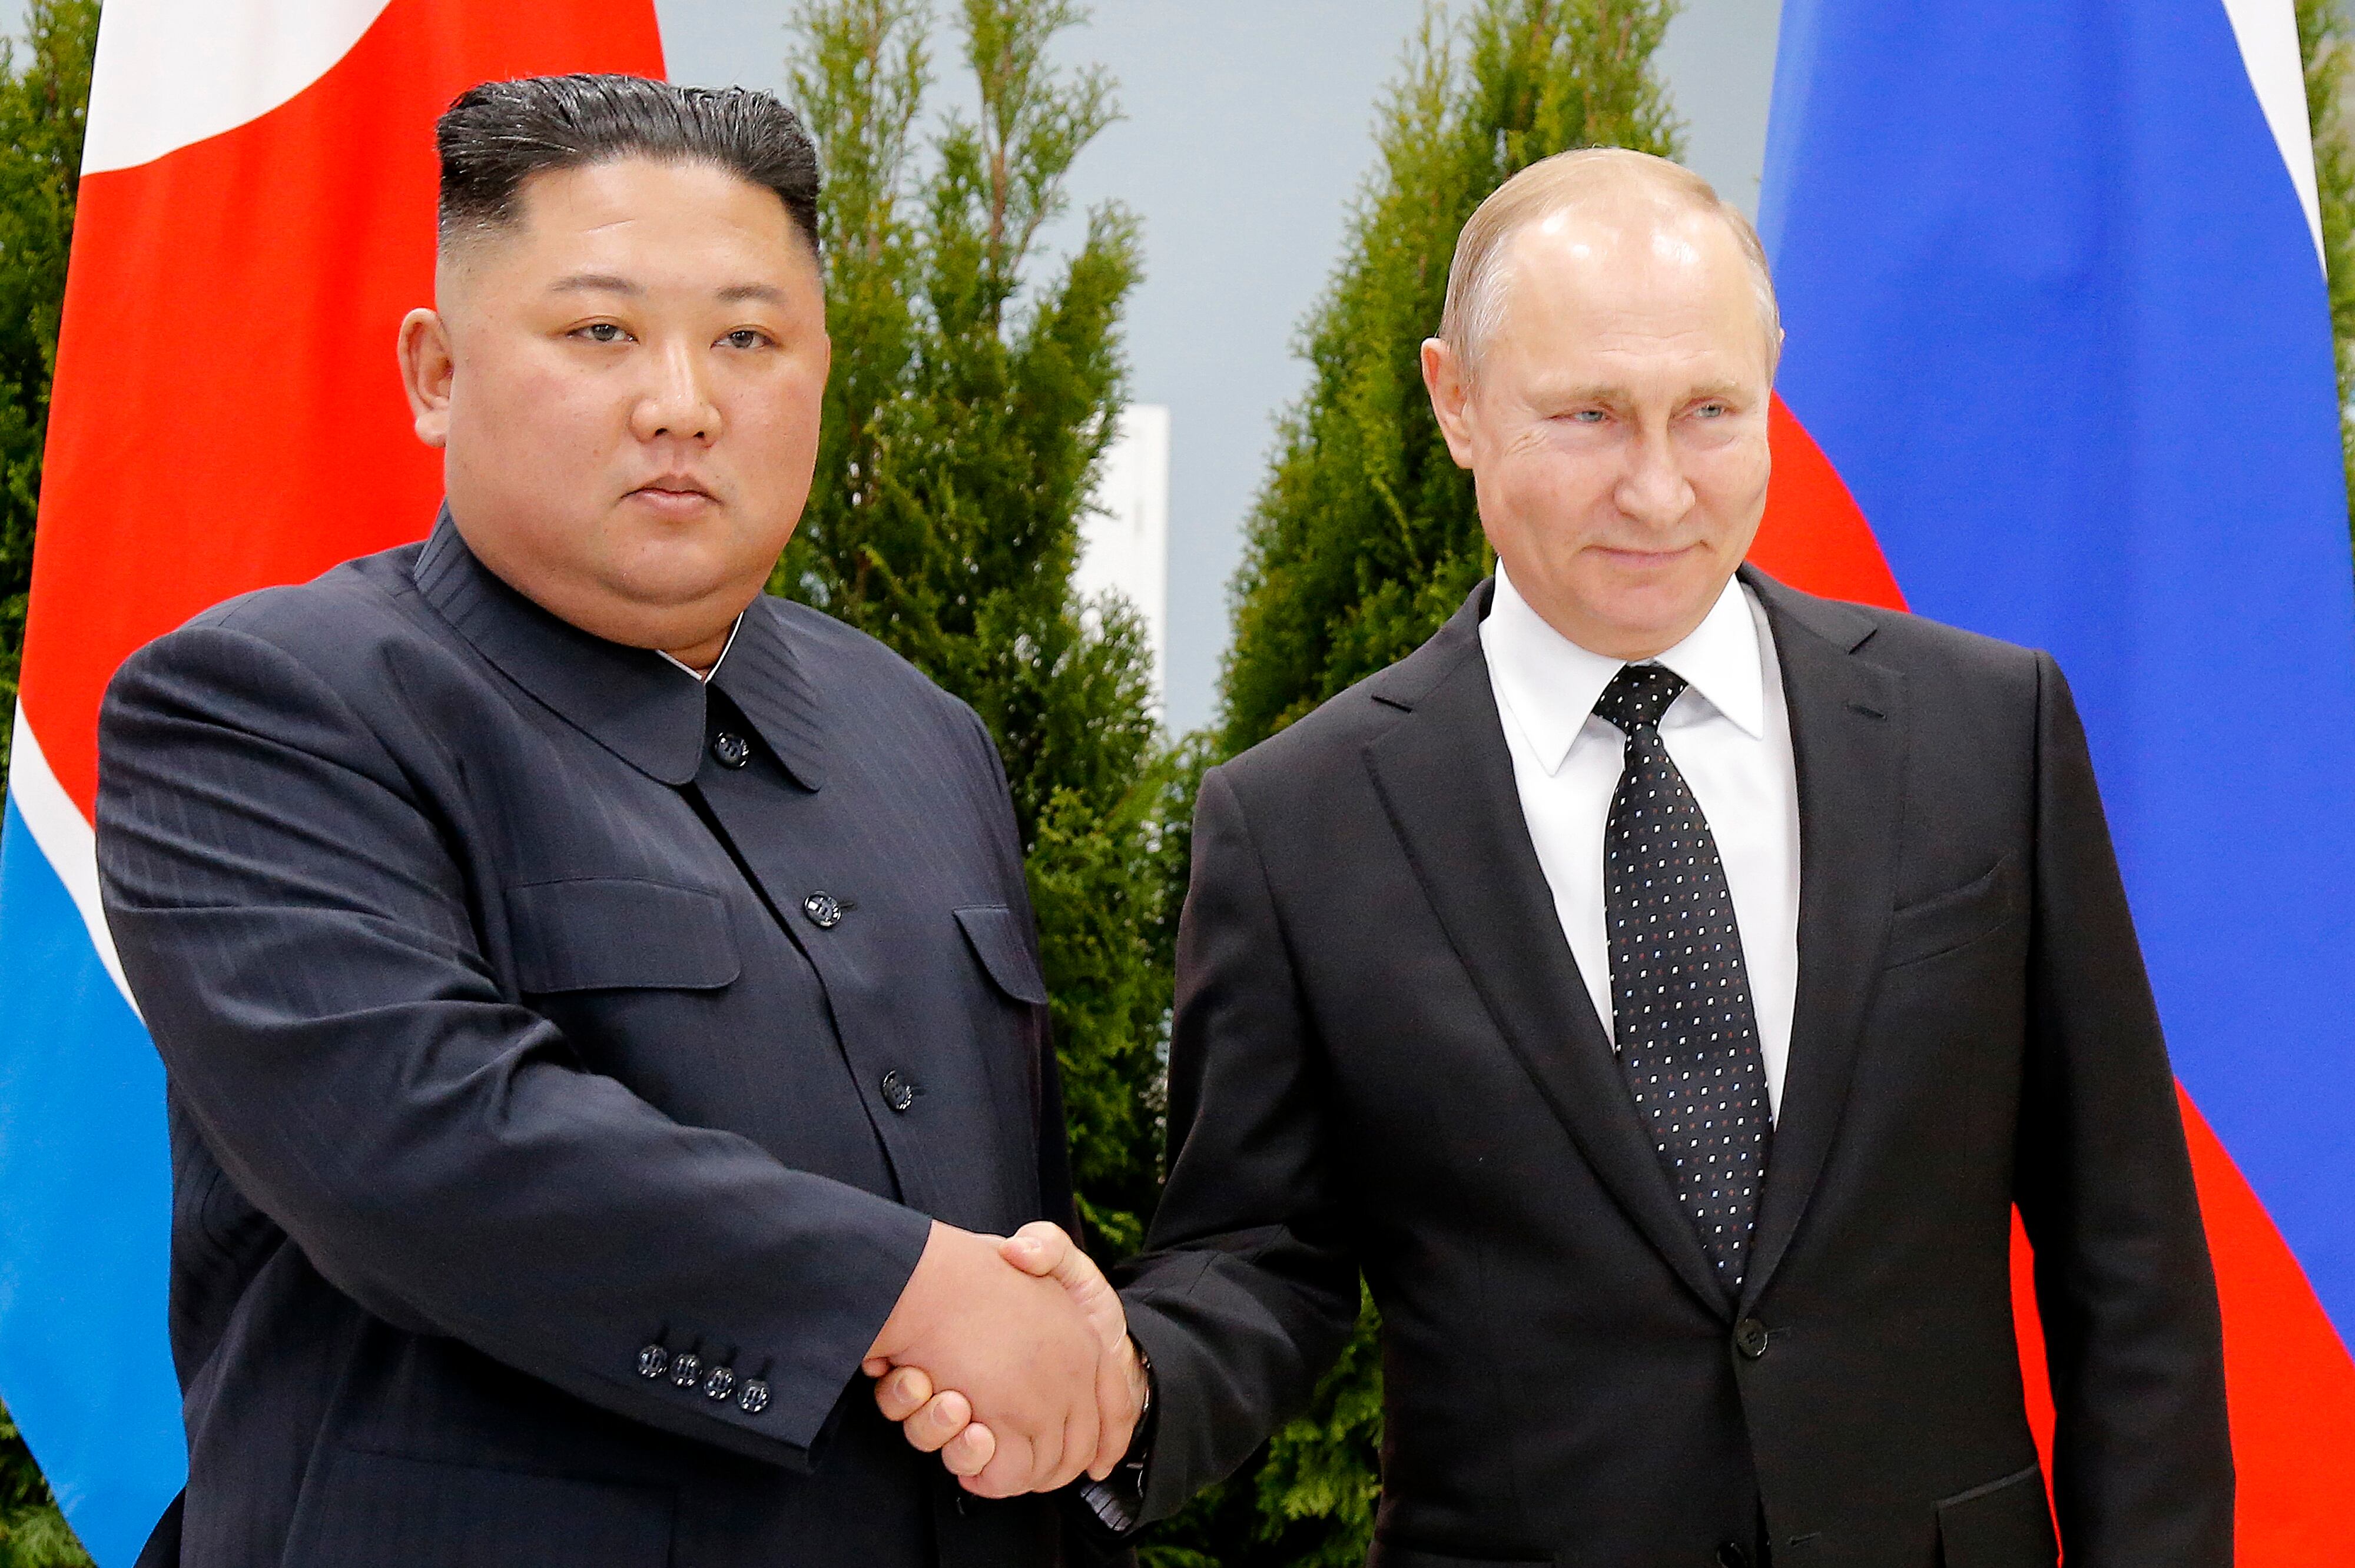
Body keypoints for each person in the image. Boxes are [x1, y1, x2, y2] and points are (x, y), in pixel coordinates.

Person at [880, 149, 2233, 1566]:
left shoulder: (1986, 731)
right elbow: (1260, 1261)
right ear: (1454, 401)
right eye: (1586, 415)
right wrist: (1125, 1379)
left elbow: (2125, 1254)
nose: (1656, 492)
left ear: (1770, 371)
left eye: (1710, 411)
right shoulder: (1297, 823)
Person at [95, 74, 1139, 1568]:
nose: (681, 402)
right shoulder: (263, 708)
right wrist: (910, 1291)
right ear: (436, 372)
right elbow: (426, 1144)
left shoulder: (923, 736)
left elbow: (1013, 1231)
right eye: (600, 332)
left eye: (746, 338)